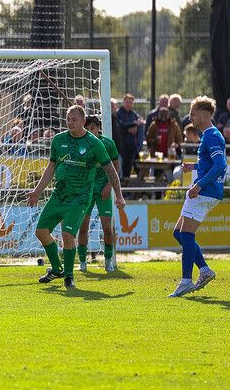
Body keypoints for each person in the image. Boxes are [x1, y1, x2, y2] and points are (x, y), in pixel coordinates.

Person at [27, 105, 125, 289]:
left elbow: (111, 170)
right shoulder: (58, 140)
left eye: (74, 119)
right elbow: (51, 167)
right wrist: (37, 191)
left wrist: (118, 195)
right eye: (68, 119)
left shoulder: (95, 144)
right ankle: (57, 269)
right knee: (41, 231)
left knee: (67, 234)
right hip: (59, 195)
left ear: (83, 121)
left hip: (80, 198)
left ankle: (70, 276)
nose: (70, 122)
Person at [169, 96, 226, 297]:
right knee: (178, 233)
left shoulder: (212, 136)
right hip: (205, 191)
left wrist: (198, 186)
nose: (190, 116)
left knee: (186, 235)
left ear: (205, 114)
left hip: (205, 191)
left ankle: (186, 281)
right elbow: (211, 163)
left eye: (193, 113)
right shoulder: (208, 136)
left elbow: (221, 165)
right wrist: (193, 167)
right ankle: (204, 270)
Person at [77, 115, 120, 272]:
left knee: (107, 227)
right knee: (83, 226)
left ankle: (108, 259)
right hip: (86, 190)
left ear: (98, 128)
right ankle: (82, 261)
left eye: (93, 128)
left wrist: (109, 186)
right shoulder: (80, 143)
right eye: (87, 128)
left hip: (103, 189)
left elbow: (115, 165)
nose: (90, 131)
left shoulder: (108, 144)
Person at [116, 93, 144, 179]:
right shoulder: (118, 113)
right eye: (127, 102)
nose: (129, 105)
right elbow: (120, 126)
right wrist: (132, 126)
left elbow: (140, 123)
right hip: (123, 146)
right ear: (123, 102)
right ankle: (123, 190)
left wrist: (134, 128)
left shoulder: (134, 114)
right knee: (123, 169)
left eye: (131, 103)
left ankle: (135, 190)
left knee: (135, 168)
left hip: (133, 146)